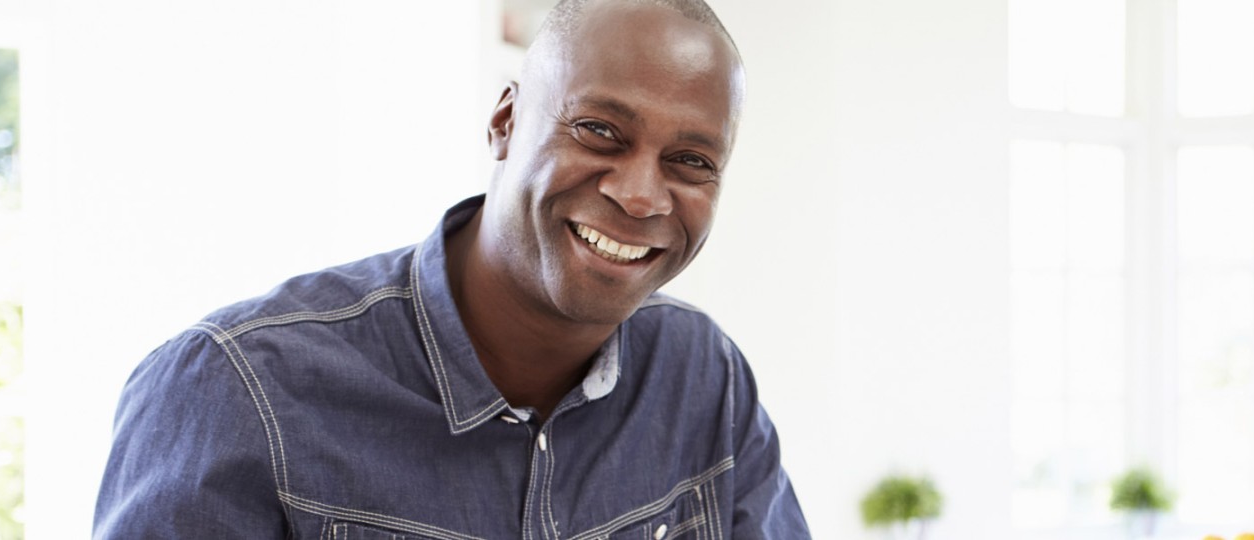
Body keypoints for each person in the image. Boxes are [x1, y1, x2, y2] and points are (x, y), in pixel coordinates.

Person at [93, 0, 809, 537]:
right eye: (599, 131)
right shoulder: (236, 390)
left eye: (691, 161)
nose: (641, 194)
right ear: (505, 122)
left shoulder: (703, 378)